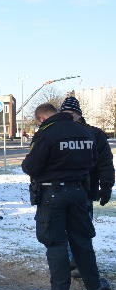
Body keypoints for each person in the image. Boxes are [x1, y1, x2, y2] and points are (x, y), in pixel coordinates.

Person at [21, 103, 110, 290]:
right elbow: (94, 162)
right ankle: (95, 286)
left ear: (42, 118)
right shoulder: (85, 132)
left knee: (55, 242)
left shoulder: (47, 133)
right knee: (82, 240)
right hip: (80, 192)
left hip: (53, 195)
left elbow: (31, 166)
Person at [59, 96, 115, 277]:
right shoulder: (57, 132)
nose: (68, 117)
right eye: (64, 113)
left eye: (71, 113)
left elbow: (105, 163)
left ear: (78, 114)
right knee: (63, 229)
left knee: (82, 230)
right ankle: (70, 262)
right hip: (59, 191)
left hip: (85, 191)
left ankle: (82, 263)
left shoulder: (95, 134)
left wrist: (106, 186)